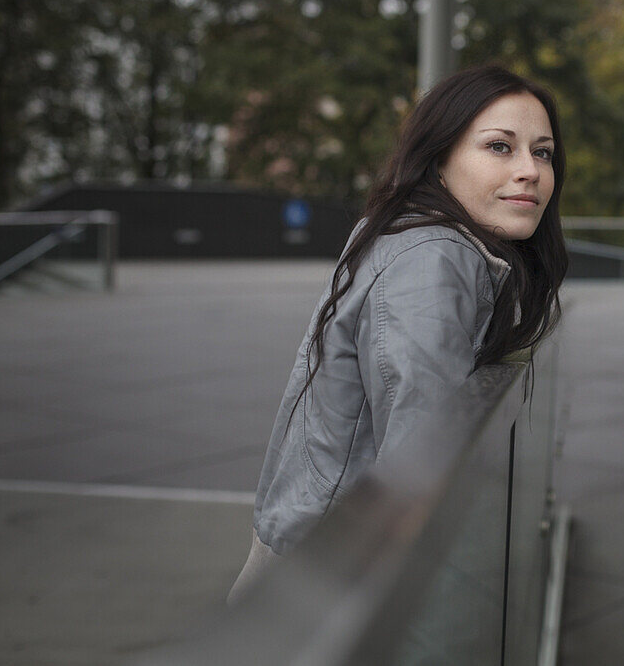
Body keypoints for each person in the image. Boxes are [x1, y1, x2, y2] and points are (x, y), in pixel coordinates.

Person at [228, 64, 568, 603]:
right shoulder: (433, 259)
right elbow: (420, 465)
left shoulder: (414, 236)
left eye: (542, 152)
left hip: (315, 554)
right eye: (500, 147)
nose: (529, 170)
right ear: (439, 161)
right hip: (333, 581)